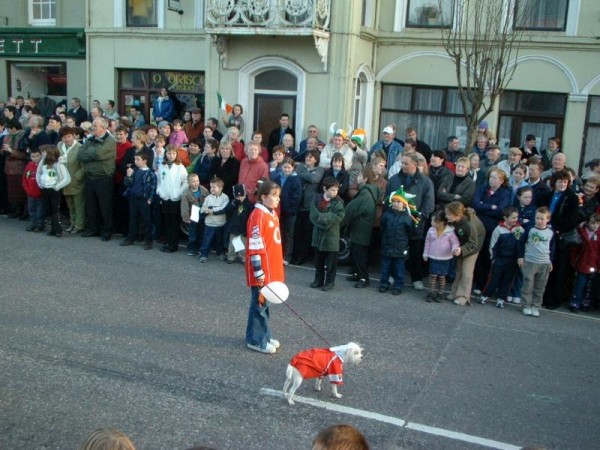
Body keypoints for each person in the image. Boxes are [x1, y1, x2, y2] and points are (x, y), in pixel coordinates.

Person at [244, 180, 284, 354]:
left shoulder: (272, 213)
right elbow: (255, 244)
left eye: (278, 196)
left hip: (272, 267)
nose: (277, 200)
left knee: (266, 303)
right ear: (263, 197)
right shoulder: (257, 216)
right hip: (262, 270)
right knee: (259, 303)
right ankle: (255, 339)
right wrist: (258, 270)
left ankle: (264, 335)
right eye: (274, 196)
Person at [386, 152, 435, 291]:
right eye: (402, 163)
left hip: (415, 223)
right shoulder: (394, 179)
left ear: (415, 164)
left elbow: (428, 204)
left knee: (414, 253)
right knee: (394, 252)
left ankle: (416, 278)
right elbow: (388, 199)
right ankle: (391, 275)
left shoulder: (426, 182)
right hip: (396, 222)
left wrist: (418, 218)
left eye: (406, 163)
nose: (403, 166)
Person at [537, 169, 580, 309]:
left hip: (560, 237)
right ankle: (541, 296)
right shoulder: (547, 195)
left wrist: (557, 228)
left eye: (565, 182)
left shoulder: (572, 197)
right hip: (544, 234)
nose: (562, 184)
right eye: (560, 182)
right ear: (554, 182)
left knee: (558, 269)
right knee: (543, 267)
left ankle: (553, 300)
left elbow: (572, 219)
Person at [471, 168, 511, 293]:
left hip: (492, 228)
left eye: (494, 178)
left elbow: (501, 210)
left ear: (501, 180)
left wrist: (484, 206)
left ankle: (484, 284)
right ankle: (477, 282)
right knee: (478, 253)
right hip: (478, 226)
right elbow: (475, 204)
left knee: (487, 256)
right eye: (490, 177)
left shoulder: (505, 193)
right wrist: (491, 206)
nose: (491, 180)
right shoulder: (483, 188)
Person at [78, 117, 117, 241]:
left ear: (103, 127)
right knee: (91, 206)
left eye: (95, 125)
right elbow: (80, 155)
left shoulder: (110, 141)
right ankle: (93, 229)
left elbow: (100, 154)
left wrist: (91, 153)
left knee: (105, 207)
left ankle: (107, 231)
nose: (92, 128)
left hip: (103, 178)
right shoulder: (90, 139)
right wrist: (93, 153)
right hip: (90, 177)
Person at [479, 206, 525, 308]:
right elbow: (493, 245)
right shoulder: (498, 229)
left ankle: (501, 298)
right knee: (493, 279)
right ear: (505, 218)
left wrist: (520, 257)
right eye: (512, 217)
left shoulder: (519, 229)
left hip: (513, 260)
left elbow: (521, 245)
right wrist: (493, 257)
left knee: (507, 281)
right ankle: (485, 295)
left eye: (516, 217)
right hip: (500, 259)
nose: (515, 220)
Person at [444, 201, 486, 306]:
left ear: (457, 215)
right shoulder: (455, 220)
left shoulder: (469, 224)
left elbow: (473, 243)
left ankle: (463, 296)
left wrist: (461, 249)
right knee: (459, 269)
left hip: (473, 246)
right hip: (462, 244)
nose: (446, 216)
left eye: (448, 214)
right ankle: (454, 293)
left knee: (466, 271)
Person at [518, 207, 555, 317]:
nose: (539, 221)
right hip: (530, 261)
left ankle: (536, 306)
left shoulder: (550, 232)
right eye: (537, 218)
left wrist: (550, 261)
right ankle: (526, 305)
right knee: (528, 285)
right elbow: (521, 243)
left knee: (540, 286)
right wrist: (520, 257)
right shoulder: (530, 230)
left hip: (544, 262)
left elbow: (552, 248)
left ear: (548, 219)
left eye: (542, 219)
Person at [310, 176, 345, 291]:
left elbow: (338, 217)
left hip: (331, 237)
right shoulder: (316, 200)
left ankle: (330, 282)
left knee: (331, 263)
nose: (335, 192)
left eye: (336, 190)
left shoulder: (338, 203)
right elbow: (313, 216)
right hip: (318, 236)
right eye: (332, 190)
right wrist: (323, 221)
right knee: (318, 261)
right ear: (325, 189)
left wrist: (323, 218)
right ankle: (318, 280)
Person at [292, 149, 325, 265]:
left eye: (311, 157)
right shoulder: (300, 167)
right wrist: (305, 175)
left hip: (310, 205)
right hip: (299, 204)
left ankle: (302, 257)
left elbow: (314, 179)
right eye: (307, 157)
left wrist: (301, 175)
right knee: (297, 232)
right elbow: (294, 177)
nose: (308, 159)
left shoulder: (319, 170)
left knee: (306, 233)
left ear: (316, 159)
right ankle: (294, 255)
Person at [120, 150, 157, 250]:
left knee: (146, 220)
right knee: (133, 219)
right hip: (133, 198)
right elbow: (128, 184)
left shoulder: (150, 173)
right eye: (135, 159)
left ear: (145, 160)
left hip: (143, 199)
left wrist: (150, 199)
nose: (135, 161)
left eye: (138, 159)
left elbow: (153, 187)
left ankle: (148, 240)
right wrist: (128, 176)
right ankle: (131, 237)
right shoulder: (135, 171)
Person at [379, 189, 413, 295]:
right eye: (394, 201)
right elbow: (382, 228)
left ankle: (398, 285)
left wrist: (404, 244)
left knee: (399, 268)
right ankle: (384, 284)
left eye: (398, 202)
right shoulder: (386, 215)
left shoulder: (407, 218)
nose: (396, 204)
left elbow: (409, 232)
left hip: (400, 247)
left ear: (404, 204)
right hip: (387, 245)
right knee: (385, 267)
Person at [156, 145, 188, 253]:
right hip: (165, 198)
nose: (171, 156)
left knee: (174, 223)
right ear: (166, 154)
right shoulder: (162, 166)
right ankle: (167, 242)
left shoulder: (180, 167)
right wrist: (160, 191)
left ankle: (173, 244)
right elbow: (159, 181)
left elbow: (186, 181)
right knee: (167, 221)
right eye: (169, 153)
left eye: (173, 153)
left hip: (175, 198)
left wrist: (178, 193)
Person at [423, 210, 460, 302]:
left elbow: (455, 242)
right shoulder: (431, 230)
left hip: (445, 257)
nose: (434, 223)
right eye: (433, 221)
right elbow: (427, 242)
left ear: (444, 222)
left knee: (442, 276)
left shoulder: (450, 232)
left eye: (436, 222)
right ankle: (430, 292)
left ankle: (440, 293)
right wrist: (425, 253)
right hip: (433, 256)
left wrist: (454, 249)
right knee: (432, 275)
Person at [36, 145, 71, 237]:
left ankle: (58, 229)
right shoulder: (43, 164)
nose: (42, 154)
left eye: (44, 152)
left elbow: (66, 178)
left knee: (55, 210)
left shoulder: (58, 165)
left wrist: (57, 186)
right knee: (49, 209)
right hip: (45, 188)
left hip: (54, 190)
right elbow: (38, 172)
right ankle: (53, 229)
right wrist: (39, 183)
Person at [272, 157, 302, 264]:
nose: (287, 170)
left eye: (289, 168)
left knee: (289, 234)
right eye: (285, 167)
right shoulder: (277, 178)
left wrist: (288, 208)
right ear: (281, 167)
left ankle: (287, 256)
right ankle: (277, 254)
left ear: (293, 168)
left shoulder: (296, 180)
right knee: (278, 233)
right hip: (278, 210)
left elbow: (297, 198)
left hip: (290, 212)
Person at [569, 213, 600, 312]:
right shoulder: (581, 232)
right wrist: (573, 260)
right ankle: (575, 302)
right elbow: (575, 248)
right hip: (582, 263)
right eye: (593, 223)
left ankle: (585, 303)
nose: (595, 226)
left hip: (593, 263)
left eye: (597, 224)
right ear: (588, 223)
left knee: (589, 286)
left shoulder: (598, 235)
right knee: (579, 284)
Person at [58, 126, 85, 234]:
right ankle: (72, 223)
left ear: (74, 136)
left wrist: (77, 177)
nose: (67, 139)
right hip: (64, 181)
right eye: (64, 137)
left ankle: (79, 225)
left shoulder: (80, 147)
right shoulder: (59, 145)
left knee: (79, 205)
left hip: (76, 181)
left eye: (69, 136)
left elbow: (84, 166)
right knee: (70, 205)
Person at [199, 177, 229, 262]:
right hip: (209, 224)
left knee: (220, 241)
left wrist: (211, 210)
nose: (211, 189)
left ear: (221, 188)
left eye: (214, 187)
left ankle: (220, 253)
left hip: (220, 224)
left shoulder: (225, 198)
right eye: (211, 187)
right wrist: (205, 211)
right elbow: (203, 209)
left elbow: (223, 209)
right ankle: (203, 254)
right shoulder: (208, 198)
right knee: (207, 240)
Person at [2, 119, 27, 218]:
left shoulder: (23, 136)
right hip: (9, 167)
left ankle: (22, 211)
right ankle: (14, 209)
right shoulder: (7, 137)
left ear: (13, 128)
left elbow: (24, 154)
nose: (7, 131)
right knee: (11, 190)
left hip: (19, 167)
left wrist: (11, 151)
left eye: (8, 129)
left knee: (20, 191)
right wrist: (4, 150)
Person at [180, 173, 209, 256]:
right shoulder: (186, 193)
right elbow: (184, 206)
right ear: (188, 183)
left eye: (197, 181)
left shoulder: (204, 190)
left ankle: (200, 248)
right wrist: (186, 218)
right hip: (193, 217)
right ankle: (191, 249)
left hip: (203, 216)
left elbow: (209, 200)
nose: (196, 183)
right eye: (193, 181)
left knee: (201, 233)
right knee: (192, 234)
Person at [225, 184, 253, 264]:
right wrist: (233, 203)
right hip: (233, 226)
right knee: (232, 243)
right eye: (237, 196)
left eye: (242, 196)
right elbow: (228, 211)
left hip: (243, 227)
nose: (240, 198)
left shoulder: (248, 204)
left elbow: (250, 216)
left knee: (243, 244)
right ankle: (231, 256)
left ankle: (244, 258)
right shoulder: (233, 203)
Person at [21, 147, 44, 232]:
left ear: (41, 156)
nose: (35, 158)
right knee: (31, 209)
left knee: (40, 210)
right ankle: (33, 223)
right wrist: (27, 189)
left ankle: (39, 224)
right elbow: (25, 178)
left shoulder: (43, 165)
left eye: (37, 156)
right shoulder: (29, 165)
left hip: (40, 192)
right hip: (30, 193)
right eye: (33, 156)